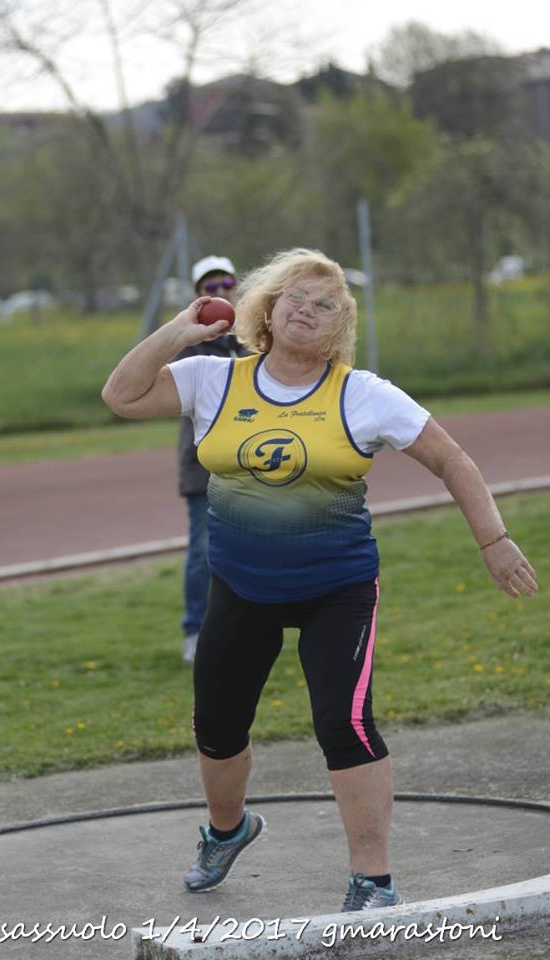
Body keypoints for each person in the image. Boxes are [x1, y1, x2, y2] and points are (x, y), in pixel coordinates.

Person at [102, 247, 538, 911]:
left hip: (336, 589)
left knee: (344, 722)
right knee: (216, 726)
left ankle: (372, 879)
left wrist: (494, 541)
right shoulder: (212, 380)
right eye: (295, 298)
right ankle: (227, 830)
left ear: (341, 326)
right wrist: (179, 330)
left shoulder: (363, 394)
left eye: (325, 305)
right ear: (268, 309)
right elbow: (121, 396)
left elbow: (451, 459)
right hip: (240, 586)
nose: (306, 310)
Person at [175, 256, 250, 663]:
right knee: (203, 551)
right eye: (210, 288)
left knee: (251, 547)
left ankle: (245, 626)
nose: (220, 293)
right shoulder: (187, 344)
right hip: (203, 466)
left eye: (226, 284)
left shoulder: (253, 337)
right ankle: (194, 629)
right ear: (197, 297)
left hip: (250, 464)